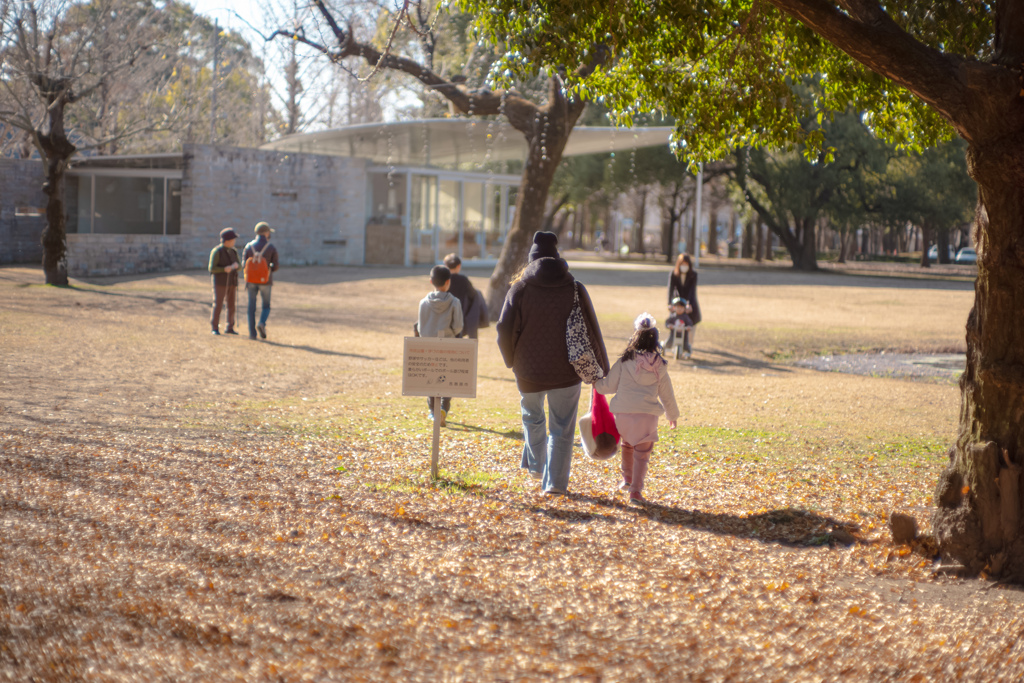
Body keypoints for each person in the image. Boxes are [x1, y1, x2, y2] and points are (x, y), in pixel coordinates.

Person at [496, 231, 609, 495]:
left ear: (531, 260)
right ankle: (555, 485)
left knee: (532, 417)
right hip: (567, 372)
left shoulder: (520, 288)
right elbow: (592, 328)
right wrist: (601, 368)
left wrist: (511, 361)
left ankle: (537, 467)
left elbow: (503, 328)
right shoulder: (575, 287)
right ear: (558, 258)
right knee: (562, 427)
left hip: (527, 371)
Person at [595, 313, 679, 506]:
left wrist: (596, 384)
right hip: (647, 417)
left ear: (635, 337)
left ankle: (627, 478)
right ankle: (635, 492)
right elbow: (667, 393)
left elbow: (608, 386)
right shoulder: (660, 365)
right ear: (656, 340)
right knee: (642, 453)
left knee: (627, 444)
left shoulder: (624, 362)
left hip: (623, 415)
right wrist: (672, 415)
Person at [418, 265, 464, 427]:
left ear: (431, 281)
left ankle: (433, 410)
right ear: (448, 282)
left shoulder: (423, 303)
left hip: (429, 348)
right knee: (448, 378)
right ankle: (444, 407)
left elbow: (420, 328)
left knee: (430, 378)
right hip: (449, 347)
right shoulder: (454, 302)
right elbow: (458, 326)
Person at [242, 221, 280, 340]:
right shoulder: (271, 247)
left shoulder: (249, 246)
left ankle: (252, 334)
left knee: (251, 307)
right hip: (265, 281)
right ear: (266, 232)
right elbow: (276, 266)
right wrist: (268, 269)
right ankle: (262, 323)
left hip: (251, 281)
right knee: (266, 306)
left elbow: (244, 264)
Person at [443, 253, 486, 339]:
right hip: (461, 319)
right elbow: (473, 294)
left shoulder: (443, 280)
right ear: (459, 266)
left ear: (445, 265)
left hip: (444, 319)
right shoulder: (464, 280)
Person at [667, 253, 702, 357]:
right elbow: (670, 289)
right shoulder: (674, 274)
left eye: (686, 264)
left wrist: (689, 304)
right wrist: (670, 303)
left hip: (689, 303)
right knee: (675, 321)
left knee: (690, 323)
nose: (684, 266)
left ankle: (688, 346)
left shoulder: (693, 275)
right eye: (682, 264)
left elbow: (692, 291)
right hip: (678, 304)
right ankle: (673, 344)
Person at [208, 227, 241, 335]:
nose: (234, 242)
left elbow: (240, 266)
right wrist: (223, 269)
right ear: (228, 240)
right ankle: (215, 327)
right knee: (218, 304)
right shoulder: (216, 251)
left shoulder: (234, 251)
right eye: (233, 240)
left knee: (231, 305)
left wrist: (237, 266)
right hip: (220, 282)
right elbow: (212, 268)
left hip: (232, 282)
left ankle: (230, 327)